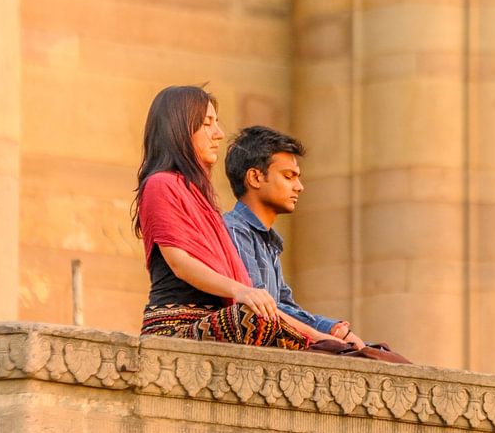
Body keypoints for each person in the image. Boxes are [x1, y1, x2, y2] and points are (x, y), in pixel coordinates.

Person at [132, 85, 329, 349]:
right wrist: (239, 290)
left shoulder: (201, 199)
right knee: (254, 316)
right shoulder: (161, 184)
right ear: (180, 128)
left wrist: (322, 336)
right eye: (207, 123)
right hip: (175, 325)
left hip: (219, 319)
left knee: (321, 341)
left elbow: (266, 303)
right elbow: (180, 262)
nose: (219, 133)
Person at [223, 126, 366, 350]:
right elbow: (257, 309)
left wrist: (333, 329)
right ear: (255, 177)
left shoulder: (268, 241)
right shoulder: (234, 230)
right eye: (288, 176)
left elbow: (283, 306)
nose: (299, 187)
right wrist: (321, 337)